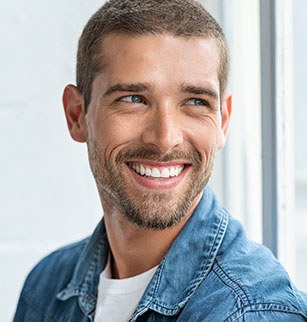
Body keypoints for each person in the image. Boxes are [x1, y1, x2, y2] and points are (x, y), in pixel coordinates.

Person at [13, 0, 307, 321]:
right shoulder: (45, 288)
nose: (165, 138)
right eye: (133, 99)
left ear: (222, 121)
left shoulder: (247, 312)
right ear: (76, 115)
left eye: (195, 102)